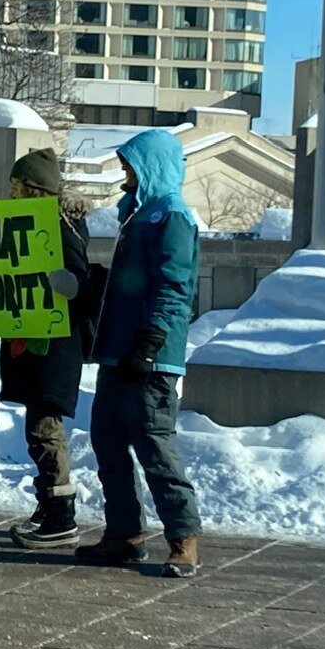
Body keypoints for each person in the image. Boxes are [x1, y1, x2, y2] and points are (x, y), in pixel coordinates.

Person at [76, 128, 202, 578]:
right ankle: (124, 535)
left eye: (130, 163)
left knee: (155, 447)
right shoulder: (140, 214)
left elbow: (174, 285)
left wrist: (150, 342)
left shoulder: (172, 216)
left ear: (151, 166)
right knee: (108, 443)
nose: (124, 171)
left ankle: (183, 539)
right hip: (117, 353)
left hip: (150, 359)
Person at [0, 148, 96, 550]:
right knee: (35, 426)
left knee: (45, 428)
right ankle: (47, 504)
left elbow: (81, 281)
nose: (13, 194)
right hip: (29, 342)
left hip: (54, 347)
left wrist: (66, 282)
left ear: (36, 190)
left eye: (19, 187)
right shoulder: (21, 223)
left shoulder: (63, 228)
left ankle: (60, 515)